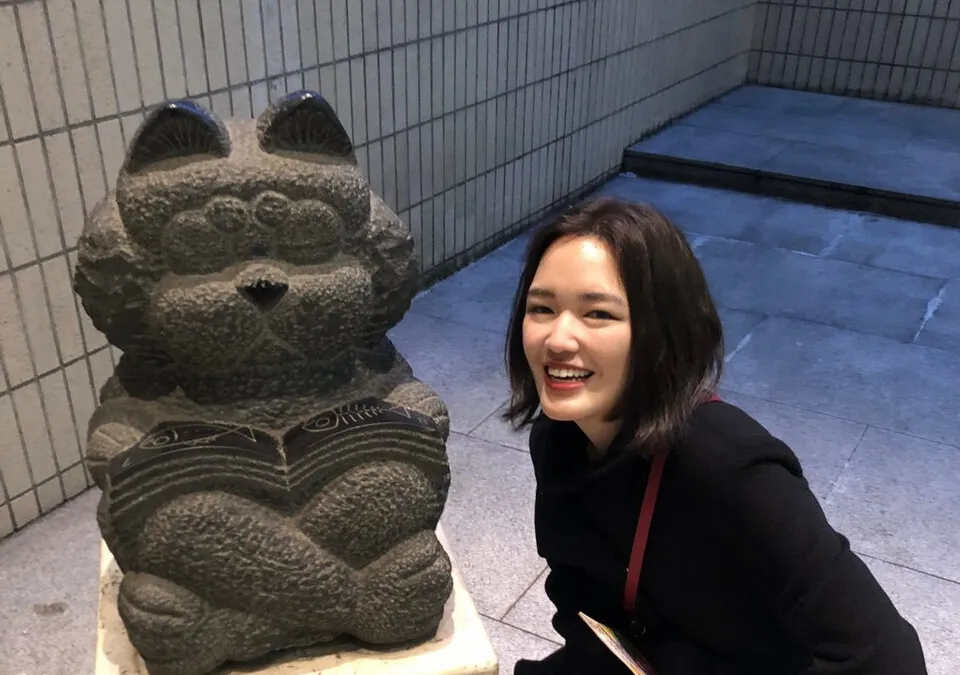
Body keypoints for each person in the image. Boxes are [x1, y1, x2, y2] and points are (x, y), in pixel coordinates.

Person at [501, 197, 926, 675]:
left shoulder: (732, 468)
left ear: (663, 331)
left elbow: (888, 659)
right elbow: (585, 612)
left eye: (598, 314)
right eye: (541, 308)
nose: (557, 339)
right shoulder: (558, 441)